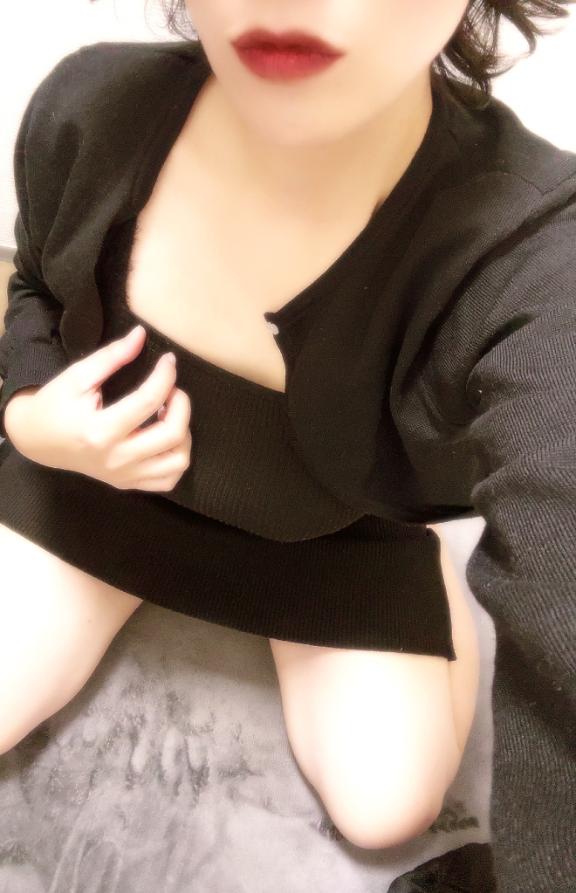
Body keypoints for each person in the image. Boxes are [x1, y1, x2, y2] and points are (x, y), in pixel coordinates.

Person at [0, 2, 574, 890]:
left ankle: (425, 570)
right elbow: (36, 282)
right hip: (98, 489)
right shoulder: (90, 107)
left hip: (333, 535)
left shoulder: (524, 245)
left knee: (388, 801)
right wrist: (34, 418)